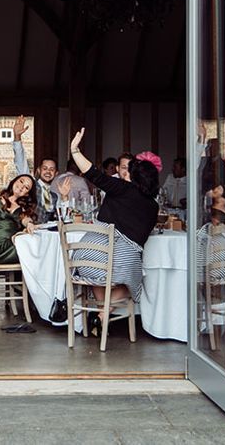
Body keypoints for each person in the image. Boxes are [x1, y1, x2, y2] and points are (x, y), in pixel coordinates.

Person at [68, 127, 159, 336]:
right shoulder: (153, 207)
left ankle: (100, 317)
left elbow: (93, 173)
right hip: (119, 261)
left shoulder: (122, 188)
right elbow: (140, 241)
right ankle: (103, 315)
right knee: (132, 277)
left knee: (103, 273)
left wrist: (75, 150)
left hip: (85, 256)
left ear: (134, 178)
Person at [0, 174, 36, 264]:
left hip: (10, 246)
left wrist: (29, 223)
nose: (21, 187)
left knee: (35, 246)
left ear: (27, 194)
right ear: (14, 181)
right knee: (33, 250)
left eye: (26, 187)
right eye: (21, 181)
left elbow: (26, 219)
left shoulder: (21, 207)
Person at [11, 114, 58, 223]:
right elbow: (20, 161)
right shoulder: (30, 186)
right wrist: (17, 137)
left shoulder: (55, 195)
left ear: (56, 173)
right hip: (28, 230)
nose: (48, 172)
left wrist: (64, 196)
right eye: (45, 168)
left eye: (51, 169)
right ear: (38, 170)